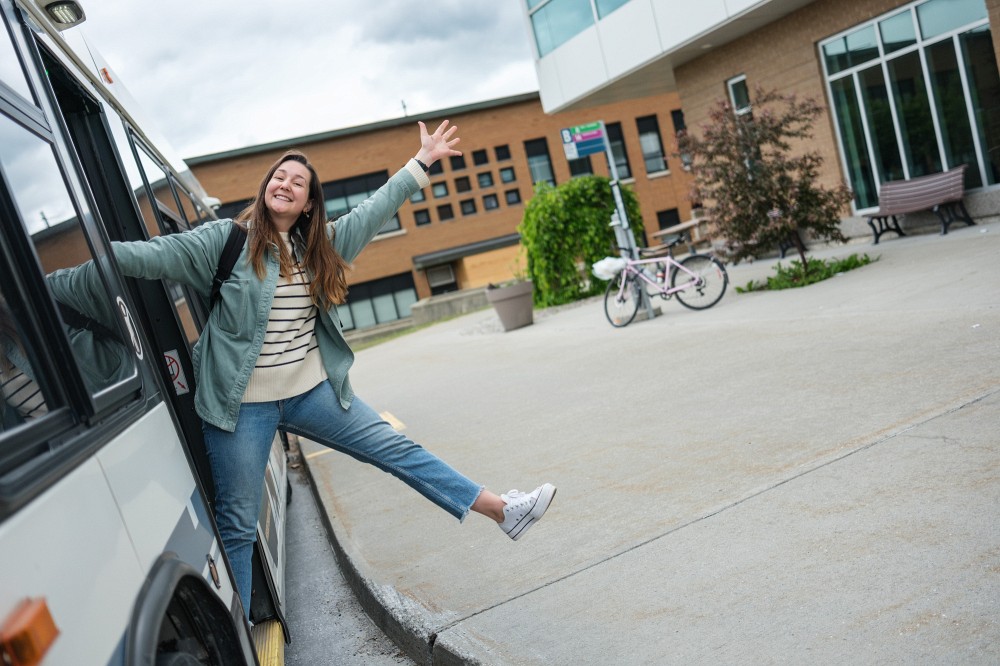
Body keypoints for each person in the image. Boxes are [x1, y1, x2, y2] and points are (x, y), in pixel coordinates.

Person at [50, 120, 555, 616]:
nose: (285, 184)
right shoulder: (225, 242)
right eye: (279, 176)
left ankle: (503, 511)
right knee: (237, 523)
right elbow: (140, 258)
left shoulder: (321, 248)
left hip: (312, 391)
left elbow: (376, 209)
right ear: (265, 187)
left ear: (309, 202)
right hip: (241, 405)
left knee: (397, 449)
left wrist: (420, 162)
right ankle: (243, 638)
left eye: (298, 182)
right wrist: (38, 285)